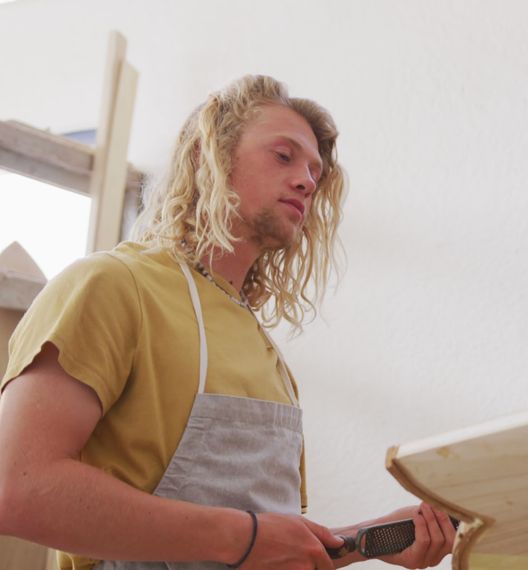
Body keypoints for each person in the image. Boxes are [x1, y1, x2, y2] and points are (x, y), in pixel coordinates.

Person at [0, 75, 456, 569]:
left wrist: (365, 540)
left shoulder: (263, 351)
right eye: (284, 156)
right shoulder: (113, 285)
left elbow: (265, 547)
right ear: (206, 157)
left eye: (314, 172)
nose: (306, 179)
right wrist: (245, 536)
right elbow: (17, 485)